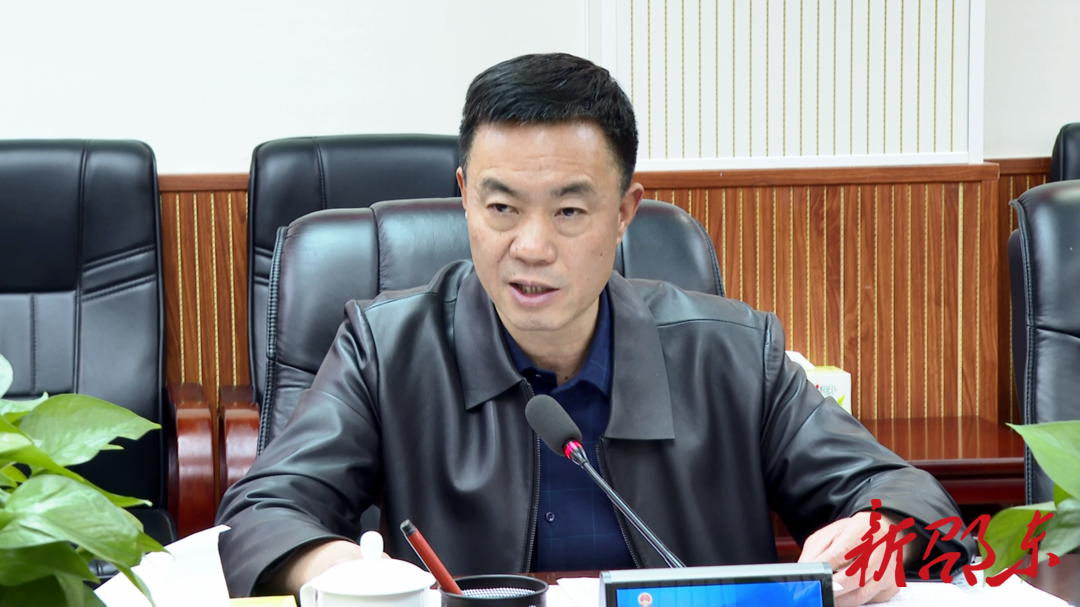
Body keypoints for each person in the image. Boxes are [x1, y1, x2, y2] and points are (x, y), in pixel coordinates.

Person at [217, 53, 974, 606]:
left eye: (570, 211)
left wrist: (879, 532)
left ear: (624, 213)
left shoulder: (735, 353)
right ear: (464, 198)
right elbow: (263, 511)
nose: (531, 246)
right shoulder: (386, 350)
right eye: (501, 207)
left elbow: (906, 494)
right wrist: (350, 573)